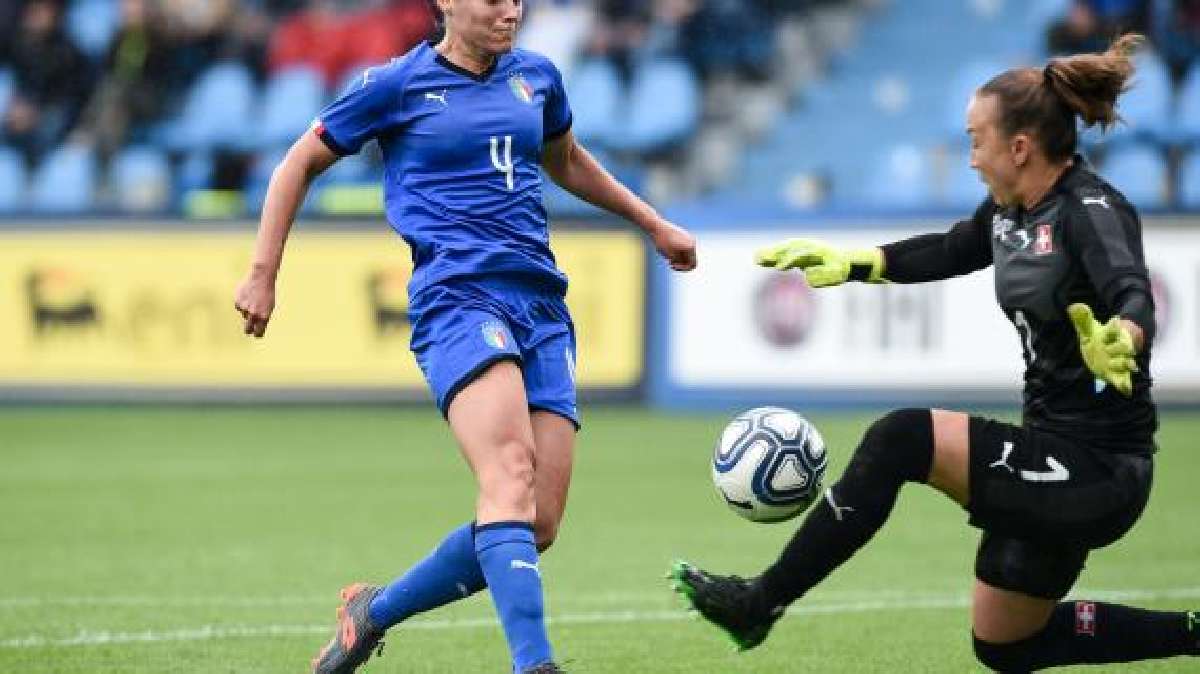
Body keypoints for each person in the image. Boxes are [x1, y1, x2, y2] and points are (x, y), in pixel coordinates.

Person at [671, 34, 1200, 671]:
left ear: (1020, 147)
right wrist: (858, 263)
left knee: (901, 438)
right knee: (1005, 644)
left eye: (977, 140)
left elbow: (1132, 294)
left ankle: (761, 602)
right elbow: (953, 249)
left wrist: (1126, 336)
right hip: (1051, 450)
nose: (971, 157)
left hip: (1099, 471)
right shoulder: (1010, 211)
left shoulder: (1092, 210)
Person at [233, 0, 697, 672]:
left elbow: (565, 160)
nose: (510, 9)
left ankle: (374, 612)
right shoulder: (394, 84)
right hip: (457, 300)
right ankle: (534, 663)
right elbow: (297, 163)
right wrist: (262, 273)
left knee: (535, 525)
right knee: (508, 475)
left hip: (540, 304)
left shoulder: (537, 77)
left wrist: (651, 222)